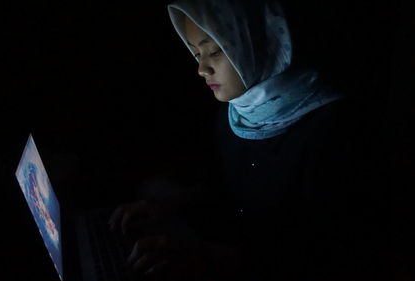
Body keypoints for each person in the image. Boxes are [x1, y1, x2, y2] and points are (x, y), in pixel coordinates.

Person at [108, 0, 388, 280]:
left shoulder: (334, 127)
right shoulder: (236, 115)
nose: (202, 69)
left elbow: (330, 252)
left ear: (256, 42)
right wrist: (169, 211)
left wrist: (214, 259)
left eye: (215, 51)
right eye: (196, 54)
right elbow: (230, 201)